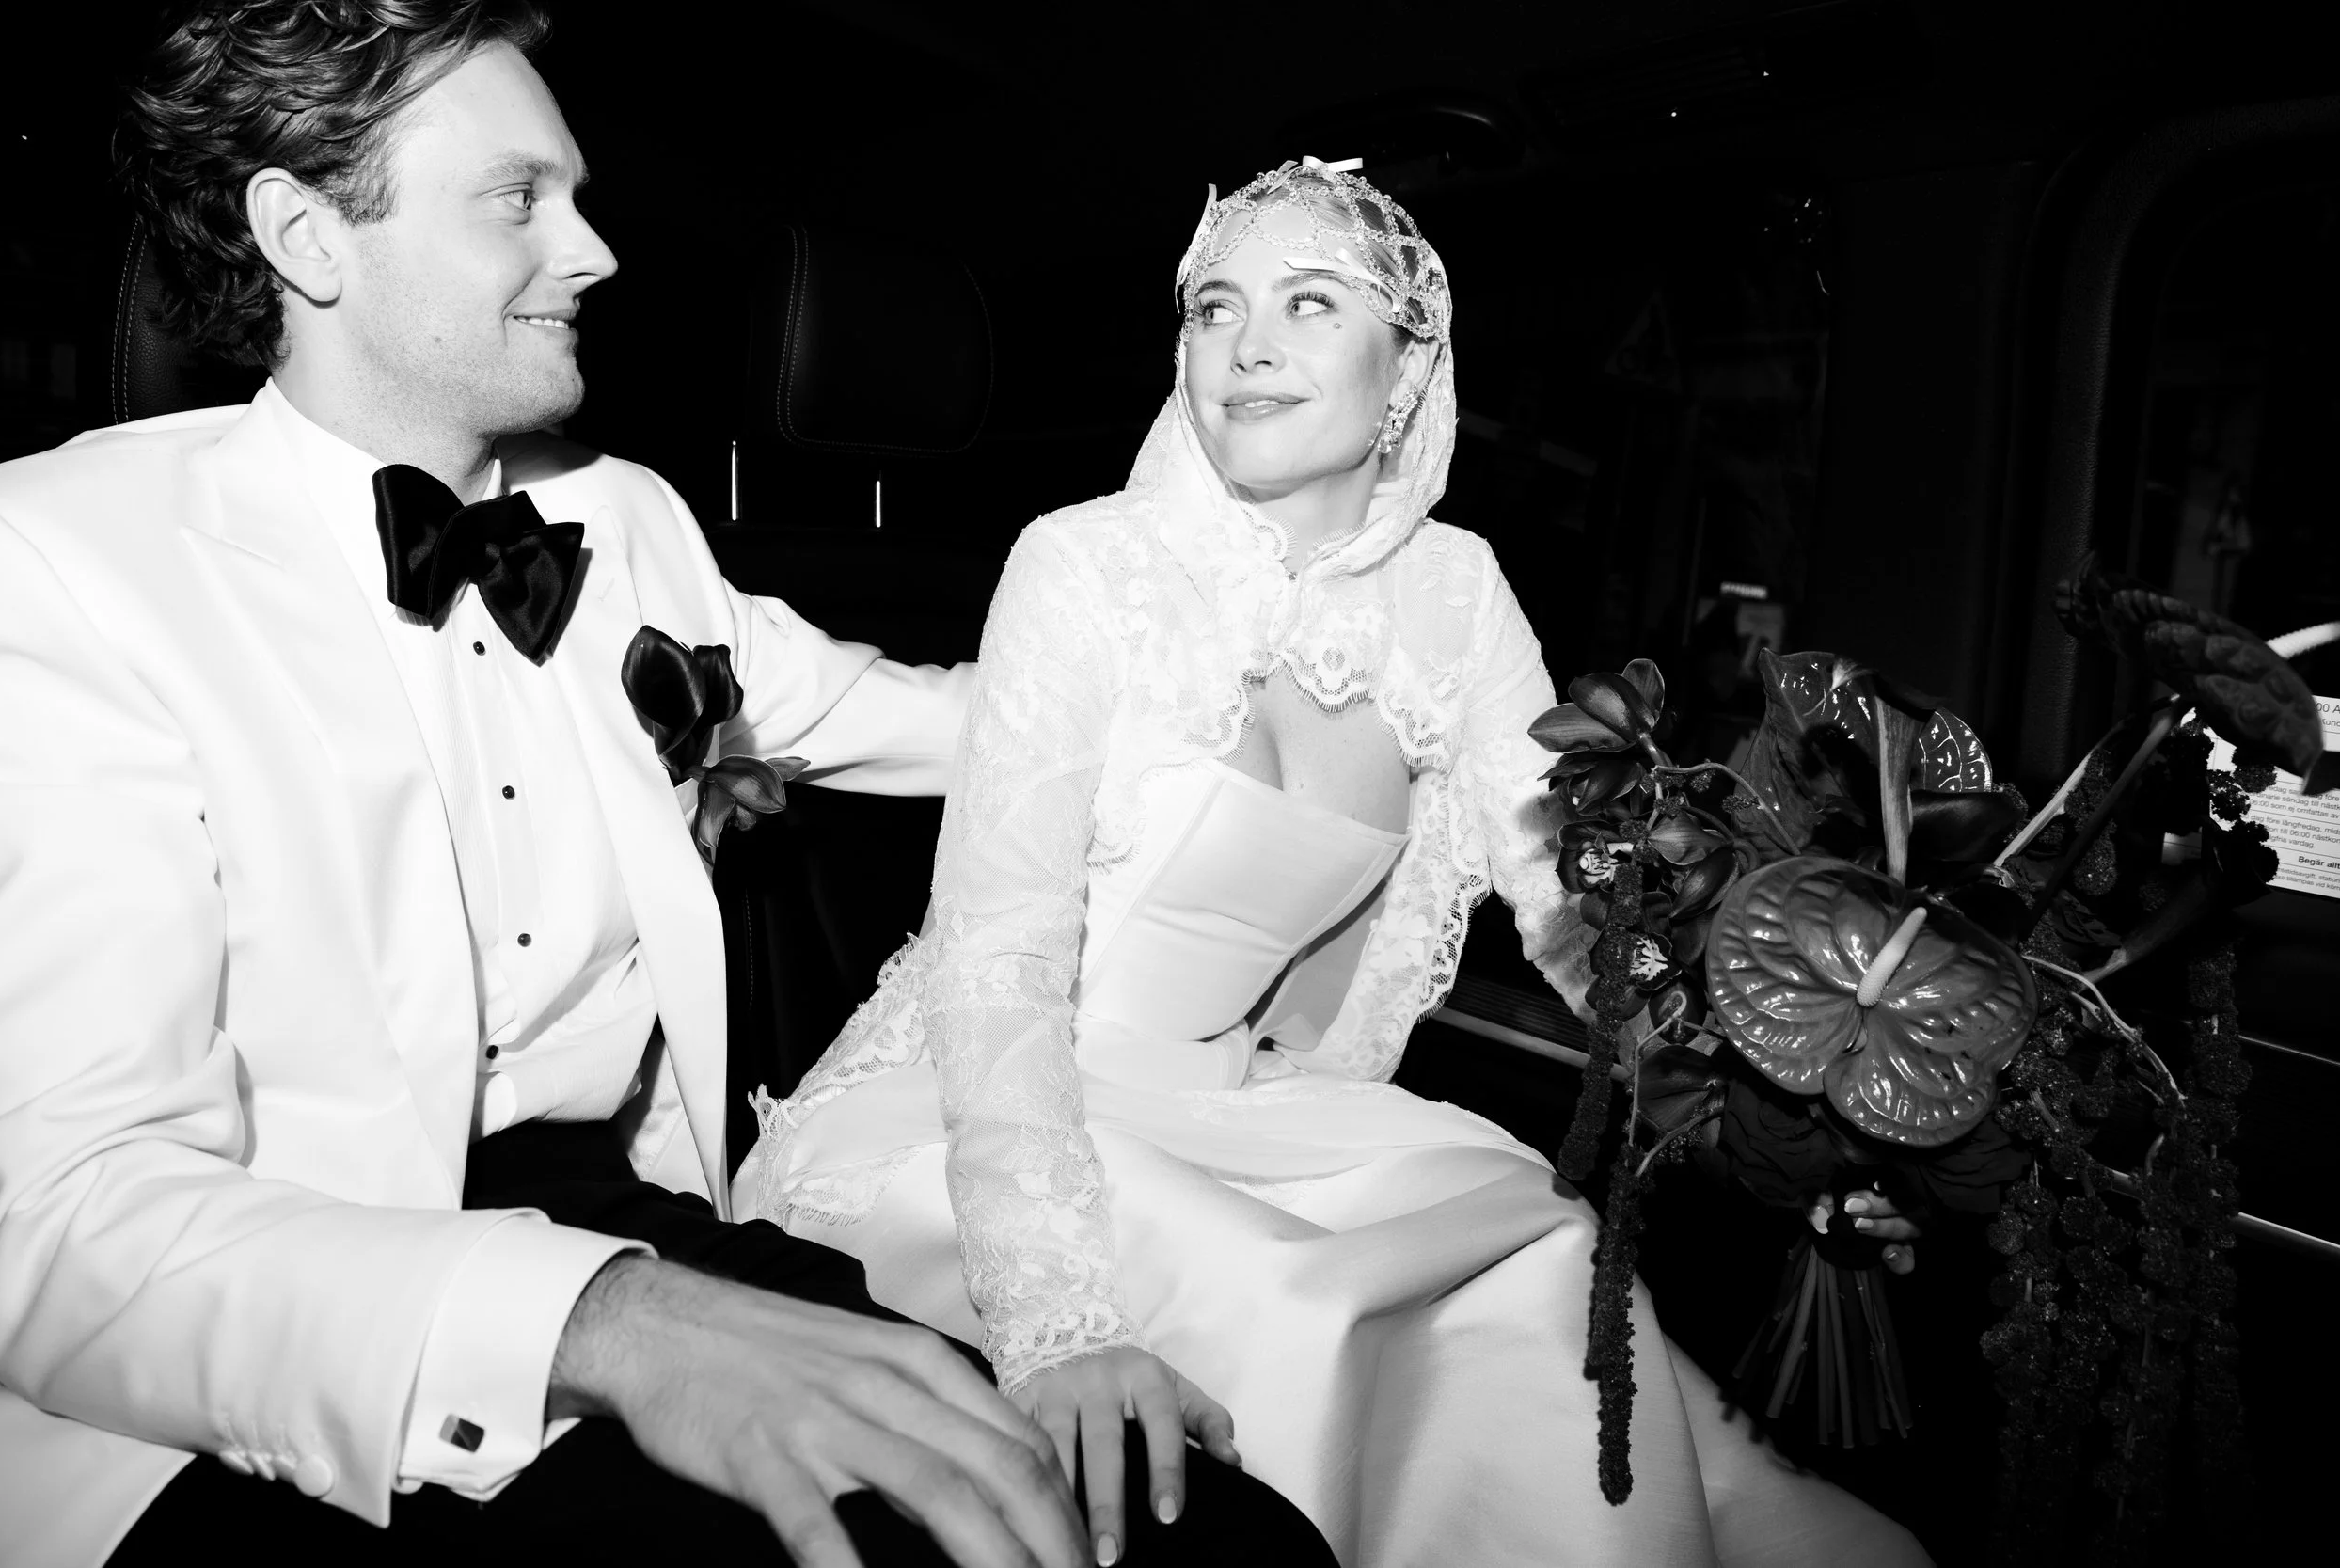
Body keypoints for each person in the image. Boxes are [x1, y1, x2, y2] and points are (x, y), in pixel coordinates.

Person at [0, 7, 1335, 1568]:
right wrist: (610, 1321)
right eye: (516, 199)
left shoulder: (626, 521)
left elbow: (966, 724)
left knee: (1200, 1538)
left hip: (648, 1220)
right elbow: (71, 1223)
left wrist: (1286, 682)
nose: (595, 251)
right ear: (306, 236)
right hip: (280, 1338)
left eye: (576, 193)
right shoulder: (59, 558)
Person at [738, 160, 1937, 1567]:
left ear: (1408, 363)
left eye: (1310, 303)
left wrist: (1777, 1113)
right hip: (995, 1119)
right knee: (1302, 1303)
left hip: (1244, 1108)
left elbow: (1574, 912)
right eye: (1215, 307)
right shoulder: (1081, 567)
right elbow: (997, 961)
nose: (1246, 346)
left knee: (1535, 1240)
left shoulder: (1459, 593)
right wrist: (1056, 1319)